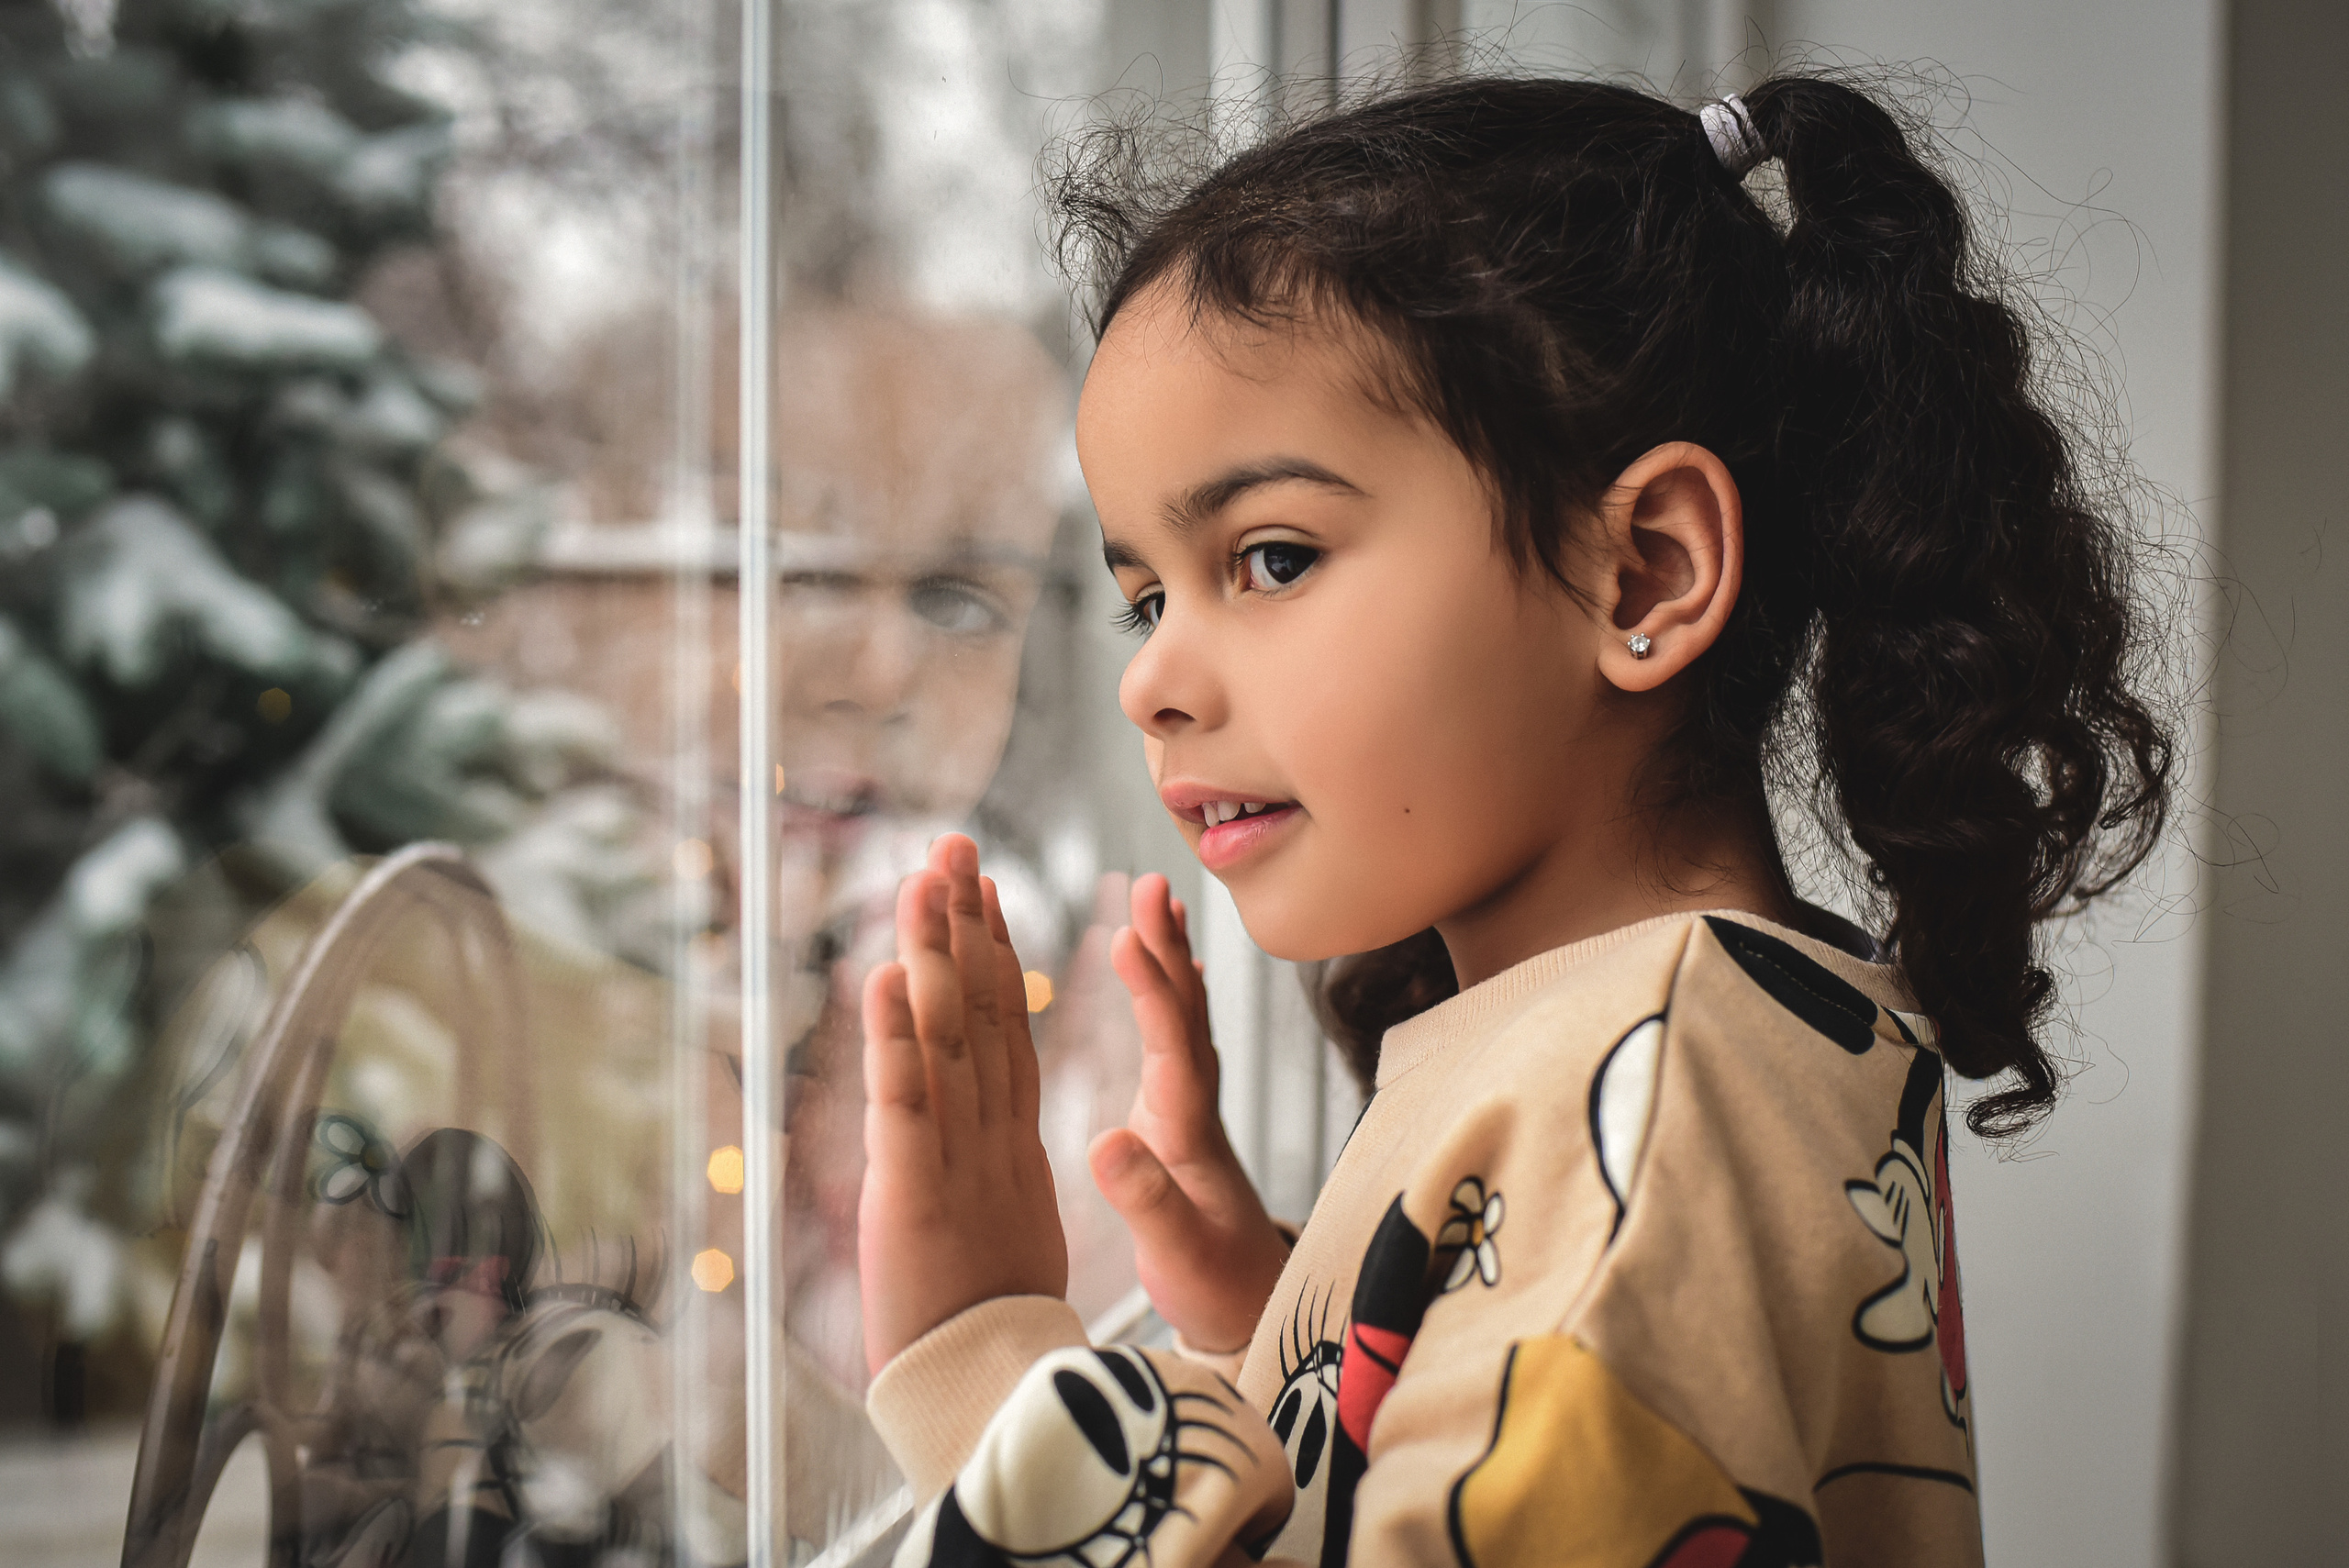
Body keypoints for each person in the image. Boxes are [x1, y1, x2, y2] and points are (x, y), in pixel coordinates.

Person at [850, 74, 2174, 1568]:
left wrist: (990, 1363)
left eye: (1271, 558)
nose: (1149, 679)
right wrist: (1274, 1321)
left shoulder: (1655, 1107)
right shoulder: (1697, 1035)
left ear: (1644, 573)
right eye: (1148, 597)